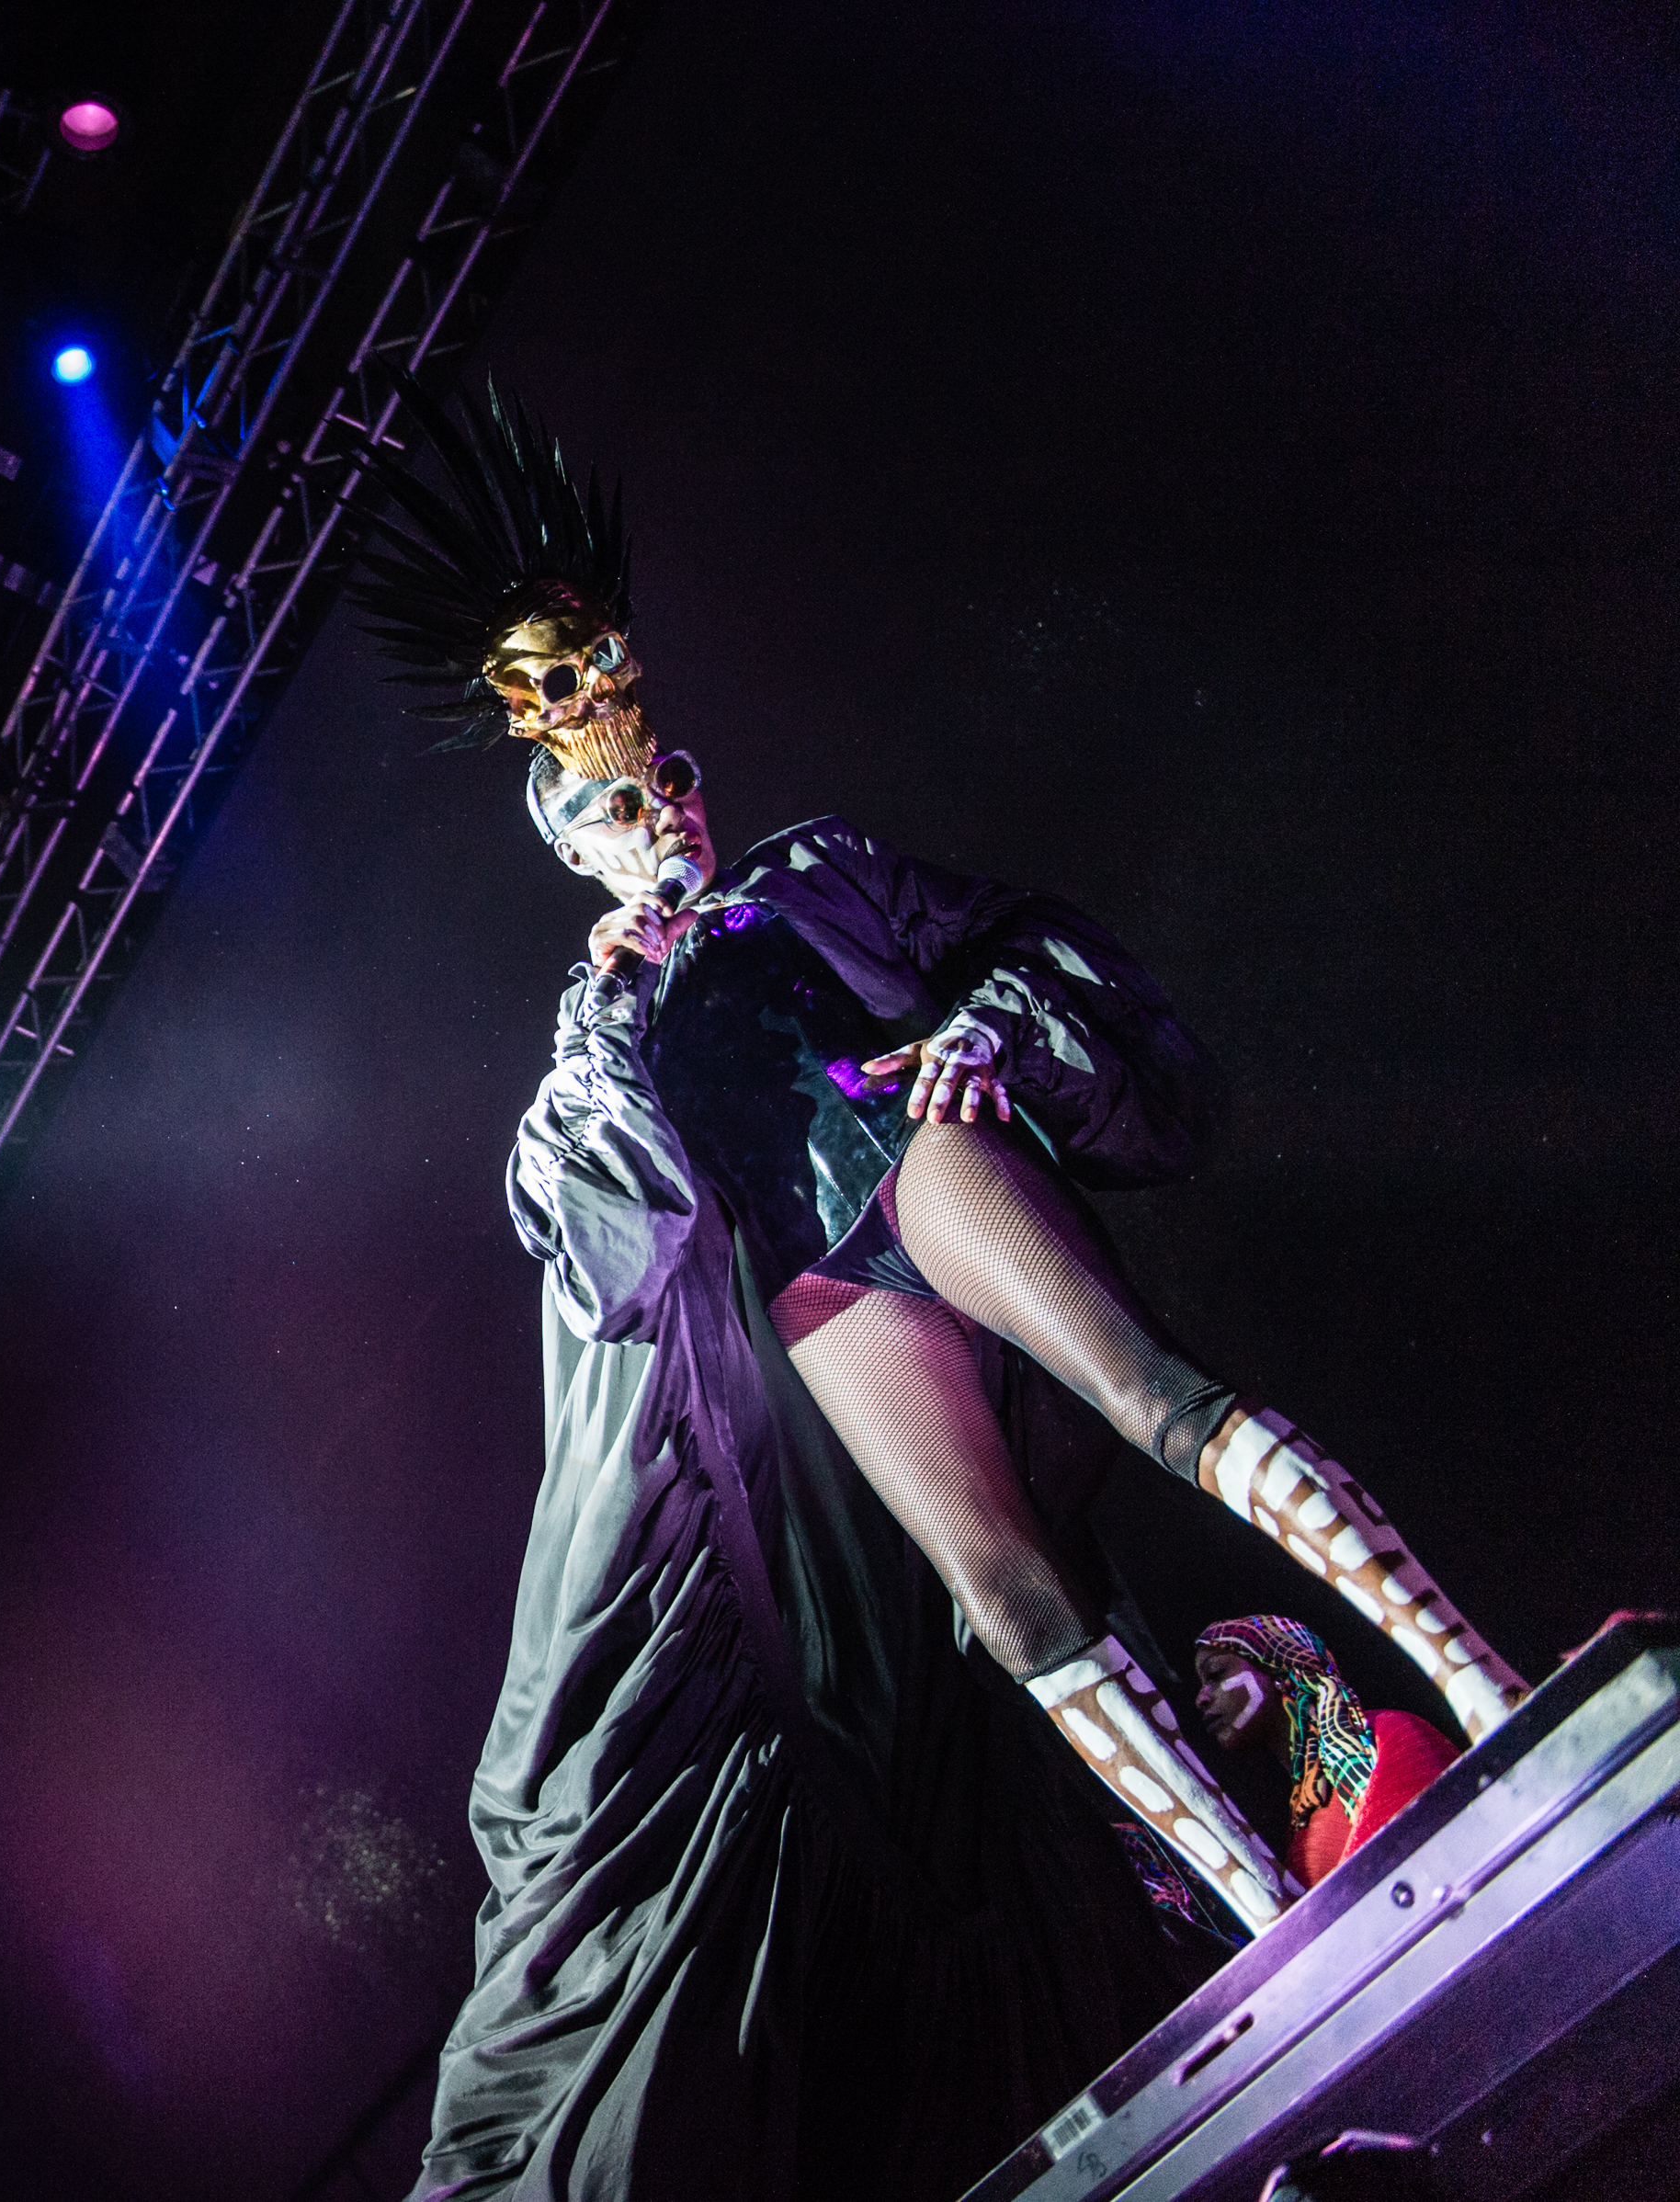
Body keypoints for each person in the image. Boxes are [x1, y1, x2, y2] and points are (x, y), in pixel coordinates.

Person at [352, 378, 1528, 2198]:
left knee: (1155, 1396)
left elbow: (1012, 942)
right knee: (1003, 1591)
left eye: (663, 777)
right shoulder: (595, 1043)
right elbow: (611, 1248)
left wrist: (980, 1025)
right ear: (566, 845)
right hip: (823, 1296)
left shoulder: (807, 874)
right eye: (610, 802)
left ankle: (1474, 1679)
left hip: (903, 1164)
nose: (655, 806)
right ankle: (1245, 1902)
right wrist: (611, 1004)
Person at [1195, 1614, 1464, 1890]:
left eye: (1215, 1674)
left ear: (1279, 1669)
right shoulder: (1301, 1824)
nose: (1200, 1698)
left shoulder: (1385, 1734)